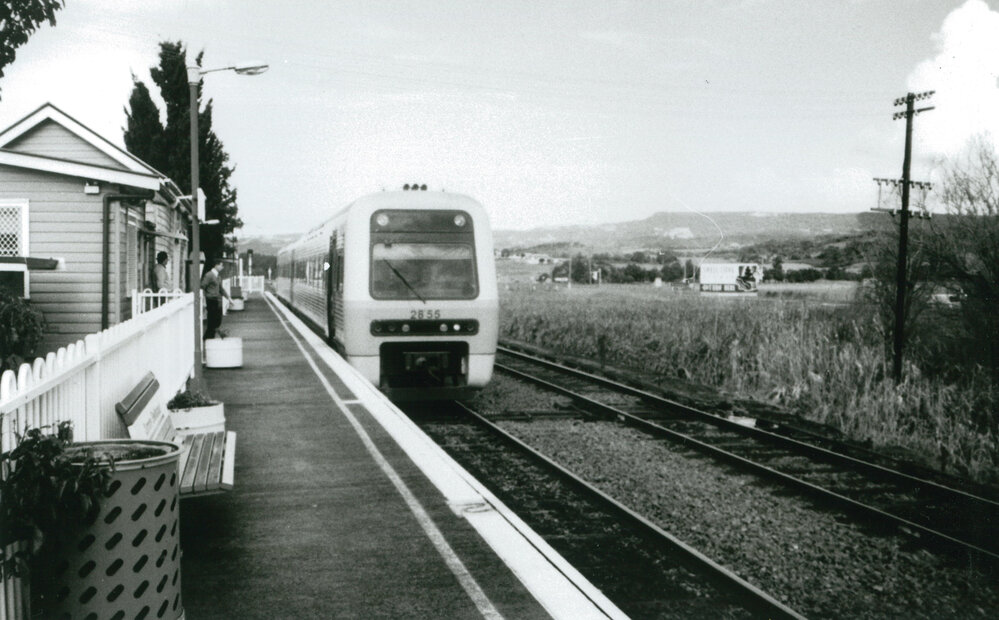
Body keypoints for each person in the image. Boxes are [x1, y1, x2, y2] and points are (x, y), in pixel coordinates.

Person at [201, 258, 232, 340]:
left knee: (218, 320)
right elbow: (202, 287)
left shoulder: (218, 276)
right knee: (212, 321)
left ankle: (211, 336)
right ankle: (208, 338)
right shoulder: (209, 275)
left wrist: (228, 298)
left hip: (217, 301)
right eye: (221, 265)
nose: (222, 267)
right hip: (210, 300)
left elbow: (221, 289)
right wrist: (204, 300)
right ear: (216, 265)